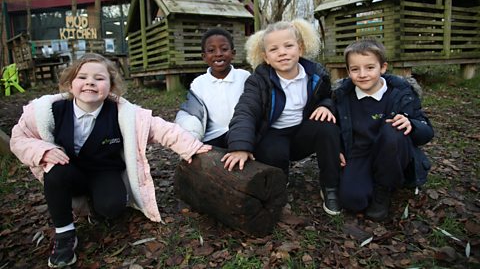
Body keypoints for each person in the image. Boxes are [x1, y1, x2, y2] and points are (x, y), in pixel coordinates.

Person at [9, 53, 211, 268]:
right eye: (82, 77)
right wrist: (44, 150)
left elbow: (162, 129)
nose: (90, 82)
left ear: (111, 86)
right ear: (70, 84)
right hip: (68, 169)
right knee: (55, 171)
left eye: (99, 78)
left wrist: (193, 148)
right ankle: (65, 234)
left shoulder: (123, 113)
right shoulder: (49, 111)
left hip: (103, 170)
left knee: (112, 208)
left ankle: (96, 203)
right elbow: (20, 137)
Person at [221, 19, 342, 216]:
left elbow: (328, 97)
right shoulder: (259, 81)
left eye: (288, 46)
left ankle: (330, 186)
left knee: (327, 127)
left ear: (300, 48)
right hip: (273, 135)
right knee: (273, 152)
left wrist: (326, 106)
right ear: (266, 57)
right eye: (274, 49)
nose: (282, 52)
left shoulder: (316, 75)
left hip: (302, 134)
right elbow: (246, 111)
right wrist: (240, 146)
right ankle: (279, 181)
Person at [332, 38, 434, 221]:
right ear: (348, 72)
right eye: (355, 69)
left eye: (370, 67)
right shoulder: (342, 97)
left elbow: (427, 132)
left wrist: (411, 124)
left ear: (383, 67)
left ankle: (383, 190)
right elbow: (336, 127)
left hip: (391, 151)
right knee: (353, 201)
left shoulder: (401, 94)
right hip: (360, 154)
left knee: (393, 128)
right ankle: (366, 180)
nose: (362, 74)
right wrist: (337, 149)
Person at [175, 28, 250, 148]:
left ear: (233, 53)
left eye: (224, 49)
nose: (218, 53)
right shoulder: (199, 83)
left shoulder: (244, 77)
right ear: (204, 57)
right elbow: (193, 111)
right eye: (211, 50)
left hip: (243, 133)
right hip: (213, 137)